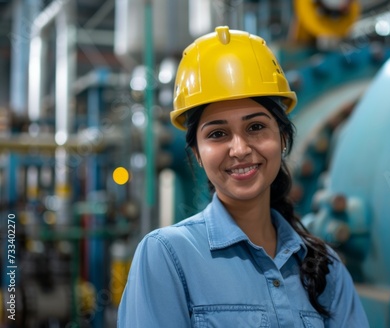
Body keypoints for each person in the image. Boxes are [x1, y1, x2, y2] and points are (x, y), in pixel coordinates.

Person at [118, 26, 369, 327]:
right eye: (218, 133)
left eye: (256, 127)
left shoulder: (325, 266)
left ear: (283, 138)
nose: (239, 149)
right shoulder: (168, 256)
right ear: (197, 153)